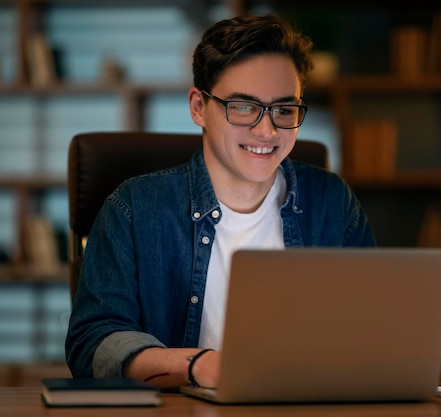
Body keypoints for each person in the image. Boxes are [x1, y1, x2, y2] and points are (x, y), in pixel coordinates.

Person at [65, 13, 376, 389]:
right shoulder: (132, 208)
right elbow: (93, 343)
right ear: (198, 107)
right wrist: (198, 366)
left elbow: (369, 330)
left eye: (284, 109)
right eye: (243, 107)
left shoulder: (332, 202)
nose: (267, 130)